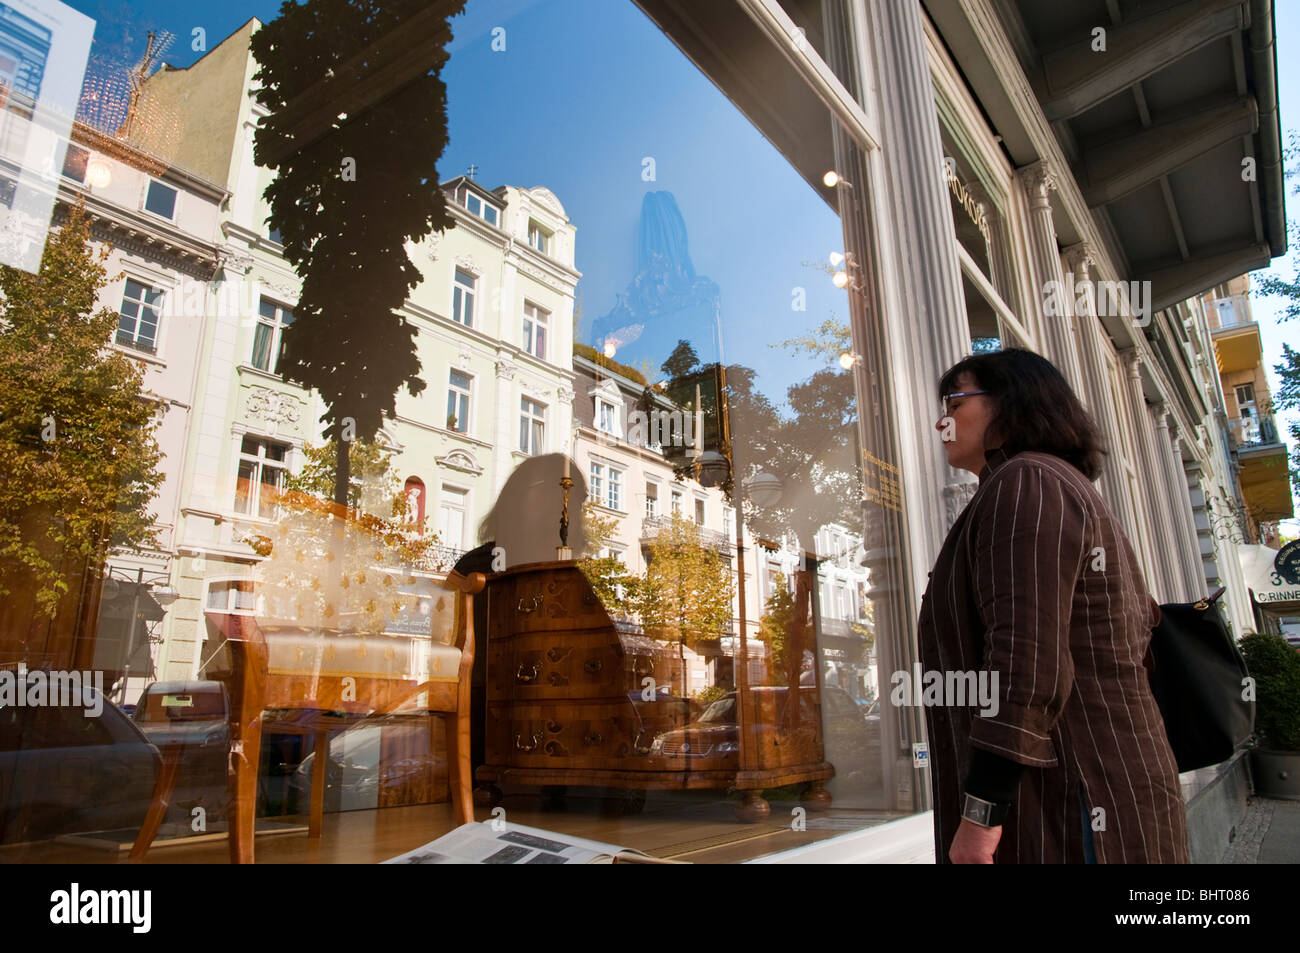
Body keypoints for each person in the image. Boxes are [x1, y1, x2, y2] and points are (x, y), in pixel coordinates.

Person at [919, 348, 1189, 864]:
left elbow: (1025, 663)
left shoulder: (1028, 483)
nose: (941, 421)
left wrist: (981, 819)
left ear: (1010, 403)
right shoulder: (1040, 483)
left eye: (954, 402)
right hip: (1077, 791)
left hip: (1071, 802)